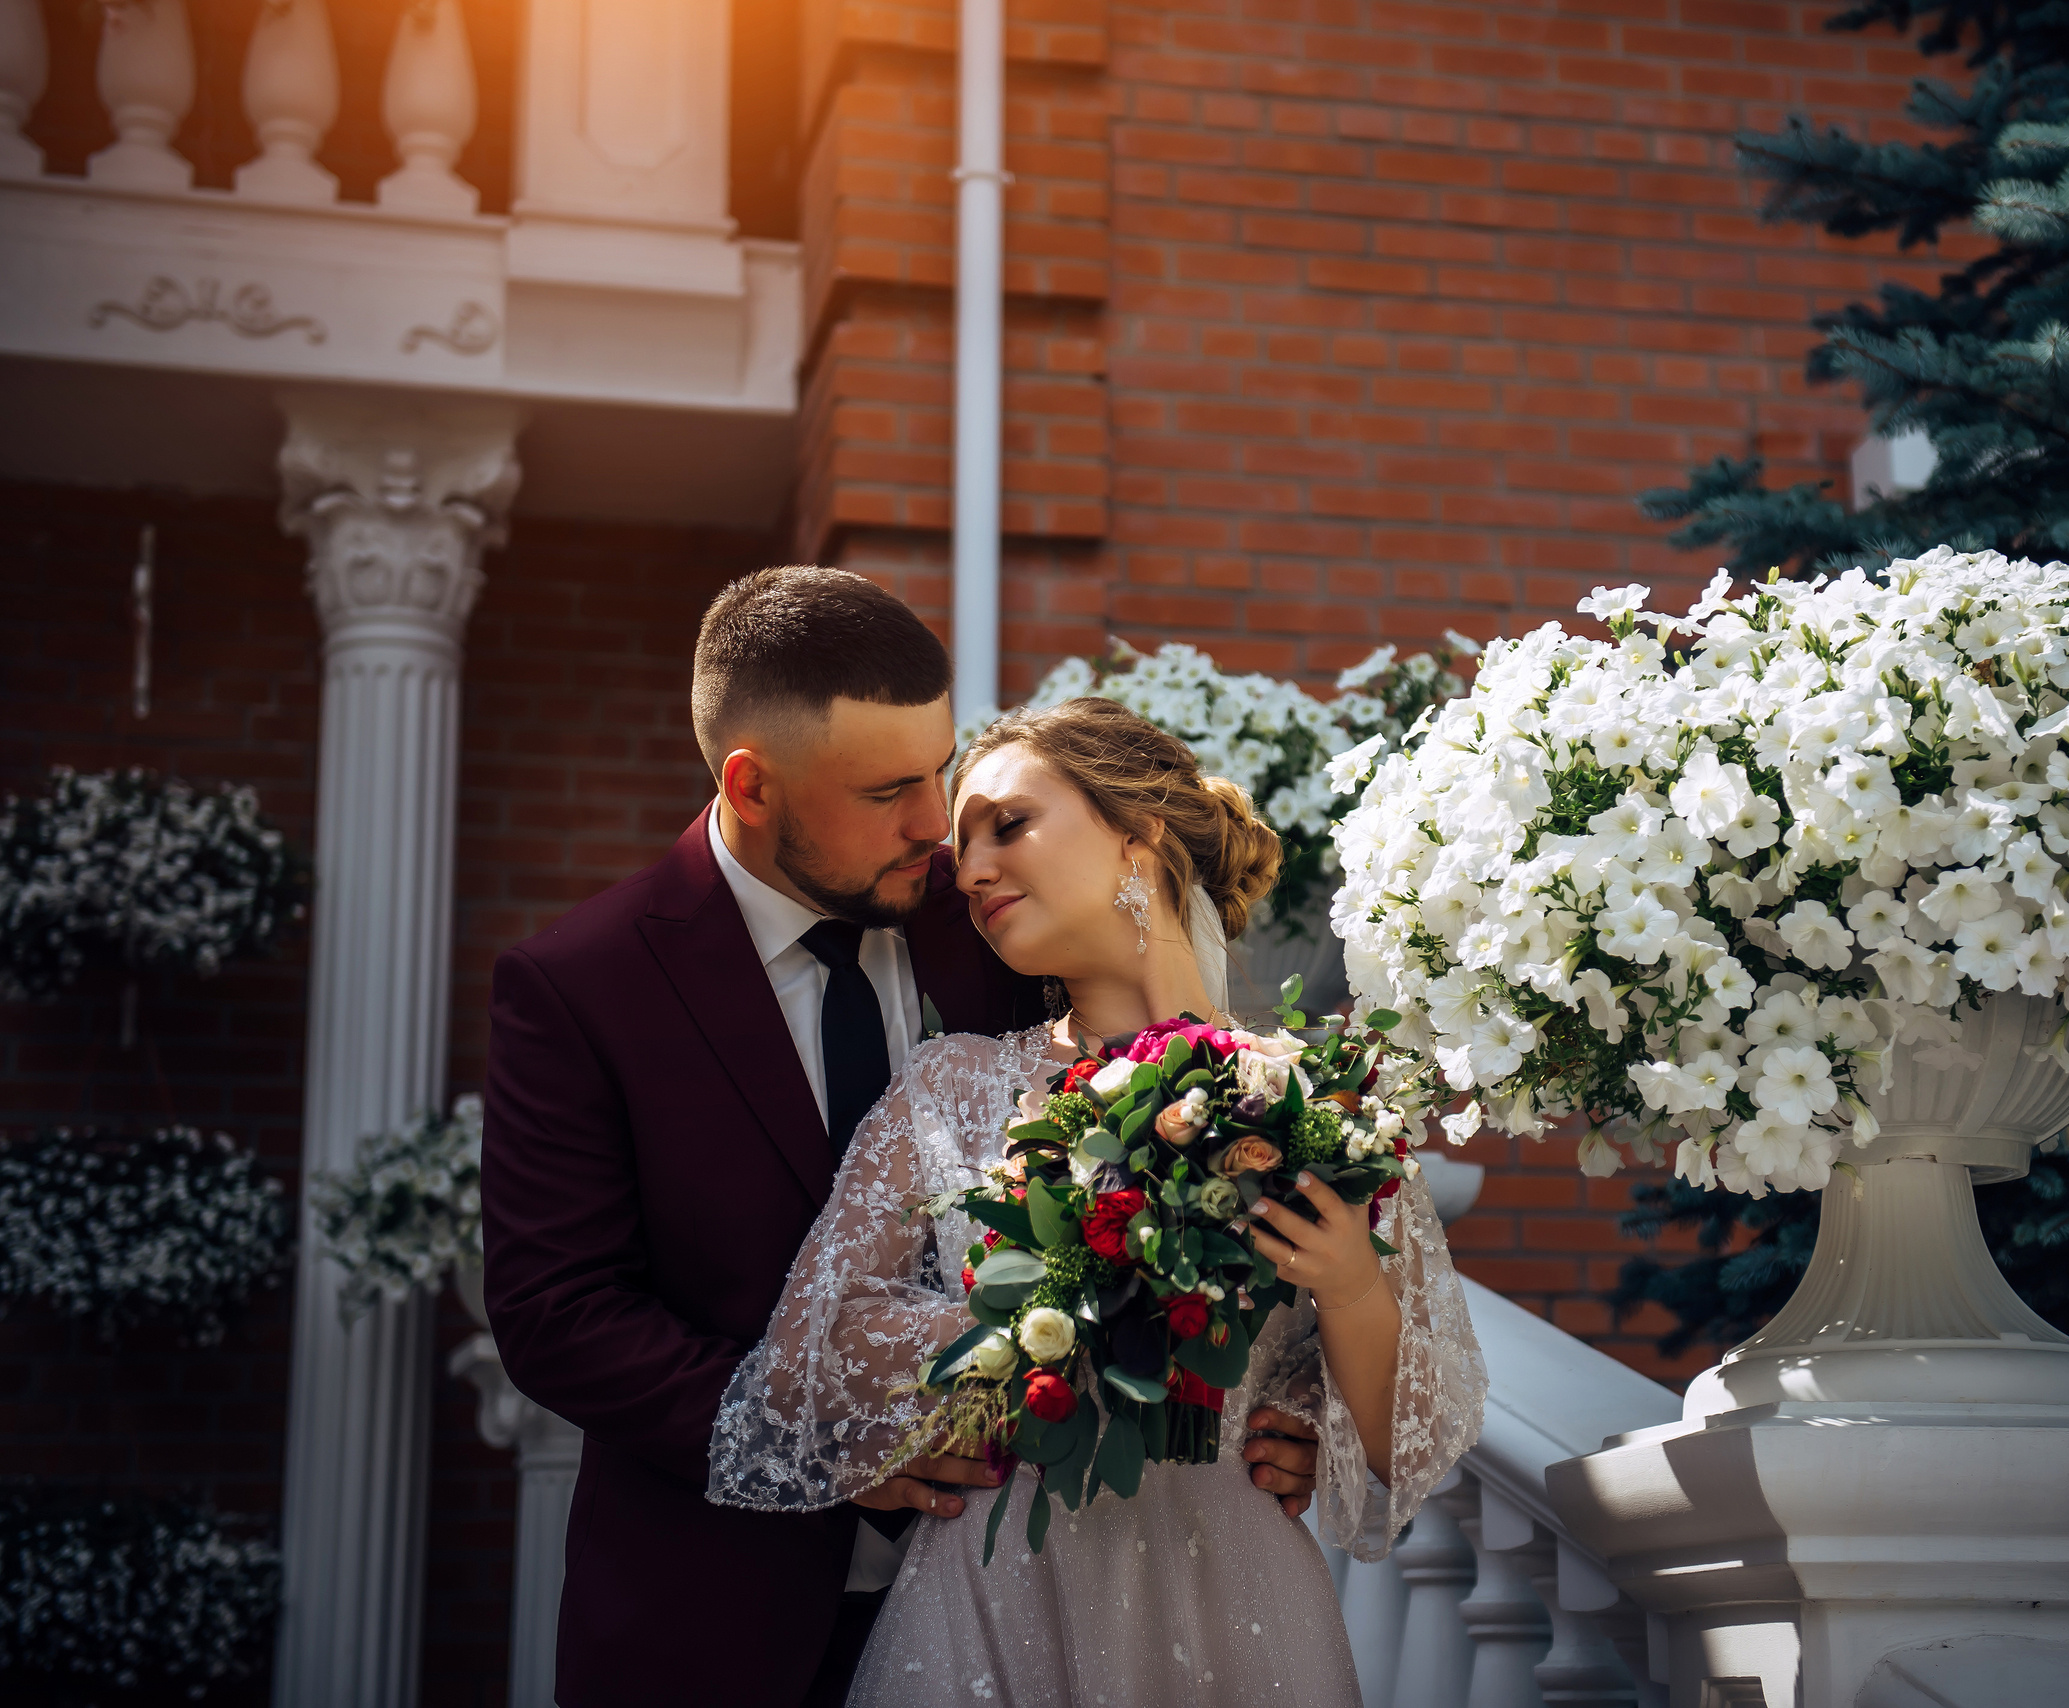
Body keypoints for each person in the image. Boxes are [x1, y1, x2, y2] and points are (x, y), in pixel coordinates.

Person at [479, 570, 1327, 1708]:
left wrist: (1284, 1410)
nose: (937, 826)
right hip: (715, 1615)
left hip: (1045, 1605)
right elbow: (557, 1311)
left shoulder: (993, 915)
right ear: (751, 785)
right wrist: (831, 1443)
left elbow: (1159, 1128)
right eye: (889, 791)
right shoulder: (581, 984)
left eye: (939, 768)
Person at [706, 697, 1488, 1707]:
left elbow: (1403, 1443)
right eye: (962, 849)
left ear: (1136, 833)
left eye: (1007, 825)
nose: (971, 871)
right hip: (997, 1590)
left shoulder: (1317, 1101)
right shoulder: (951, 1086)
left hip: (1235, 1604)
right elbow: (811, 1347)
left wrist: (1345, 1285)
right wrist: (1041, 1320)